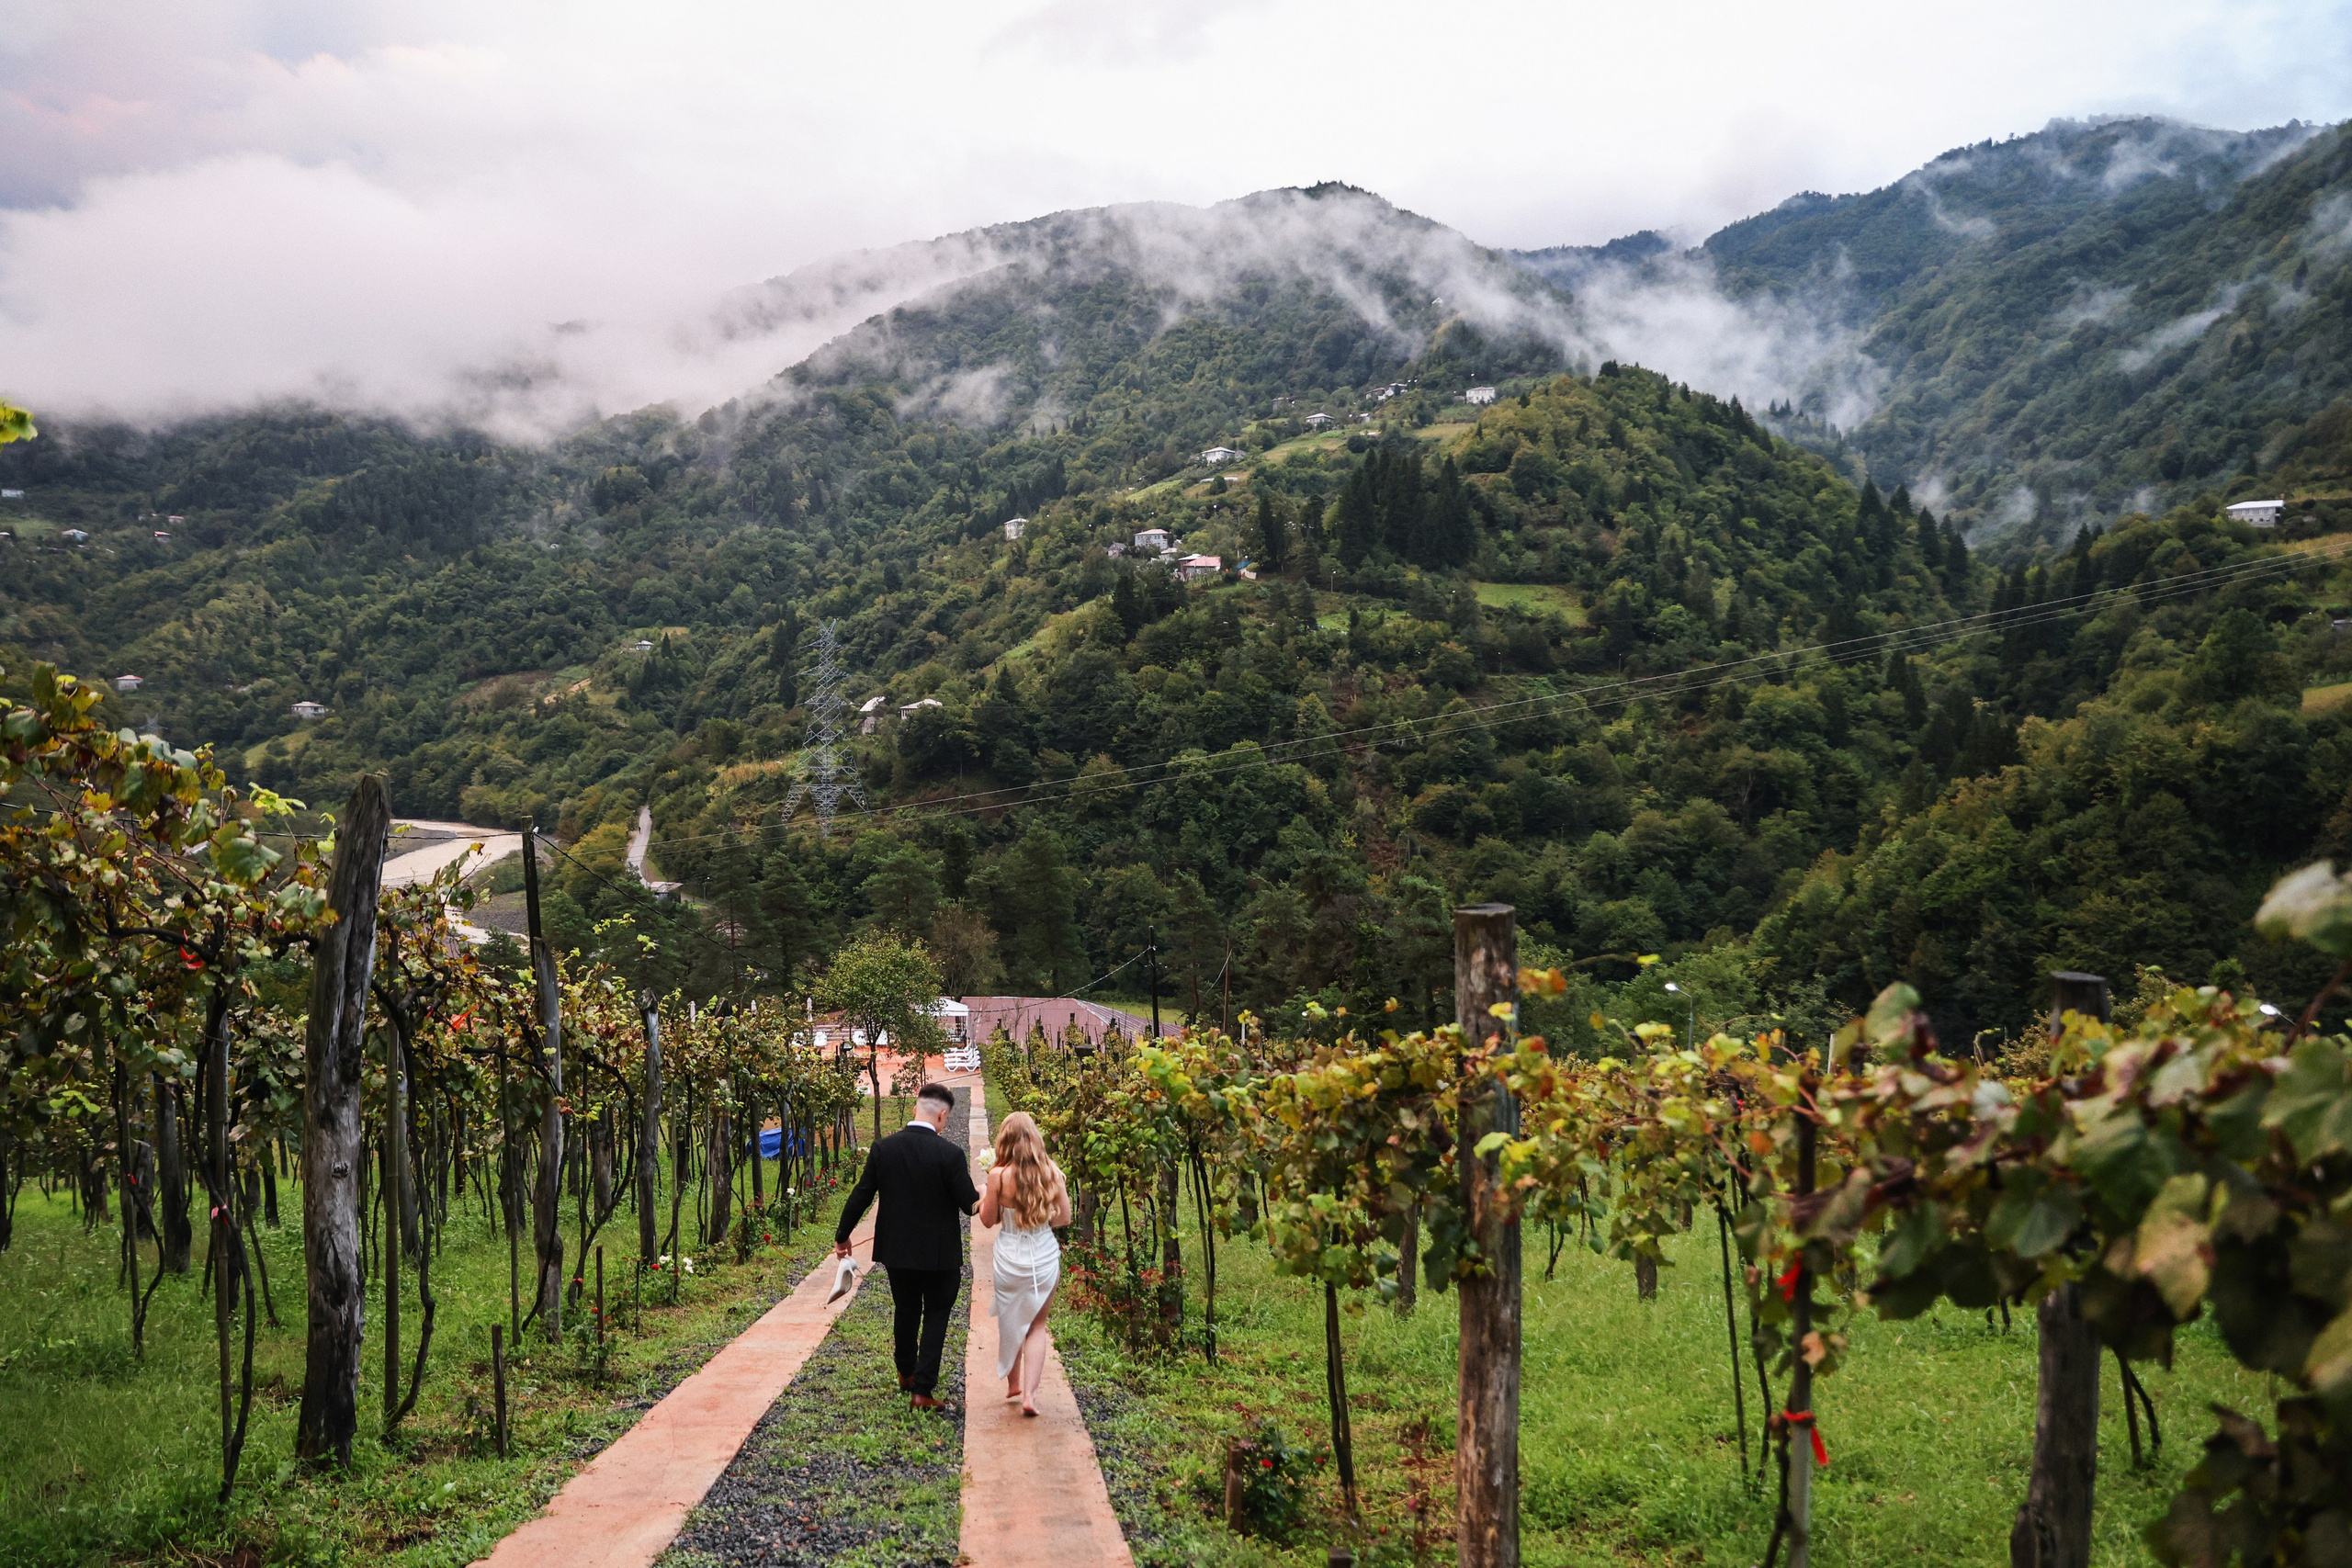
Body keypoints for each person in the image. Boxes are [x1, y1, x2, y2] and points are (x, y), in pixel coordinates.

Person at [835, 1081, 979, 1410]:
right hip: (940, 1255)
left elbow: (861, 1194)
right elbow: (968, 1205)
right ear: (941, 1116)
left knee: (906, 1307)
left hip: (896, 1251)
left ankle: (906, 1372)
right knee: (937, 1314)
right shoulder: (950, 1155)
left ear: (916, 1108)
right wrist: (984, 1192)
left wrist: (843, 1235)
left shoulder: (884, 1149)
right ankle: (922, 1390)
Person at [975, 1111, 1069, 1417]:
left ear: (1004, 1140)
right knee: (1037, 1325)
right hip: (1043, 1255)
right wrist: (1040, 1218)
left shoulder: (998, 1176)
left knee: (1011, 1317)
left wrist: (984, 1195)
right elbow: (1065, 1218)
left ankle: (1013, 1385)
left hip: (1009, 1258)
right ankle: (1030, 1395)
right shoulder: (1051, 1172)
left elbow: (988, 1220)